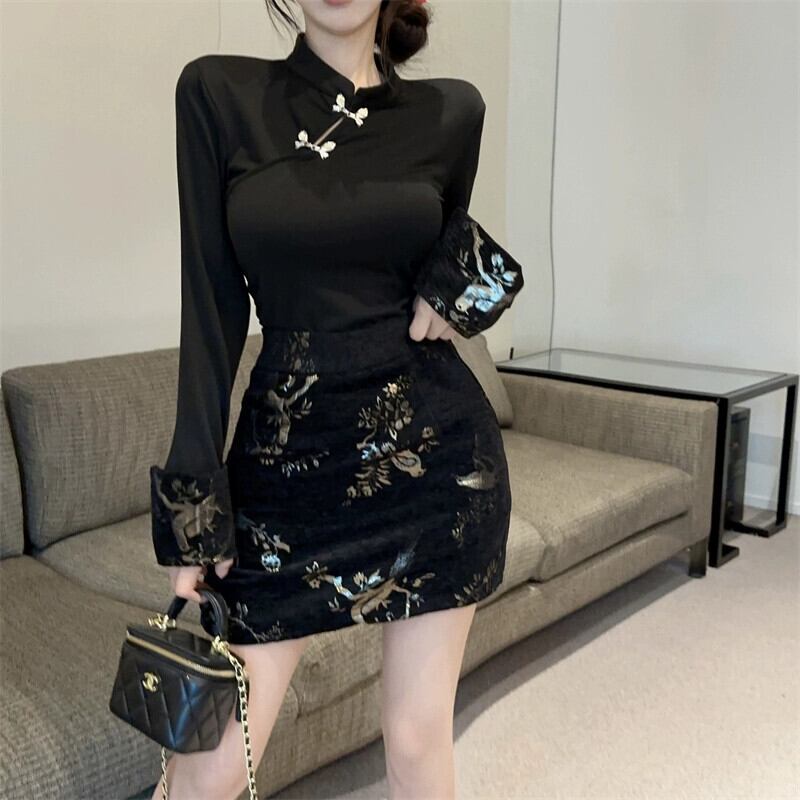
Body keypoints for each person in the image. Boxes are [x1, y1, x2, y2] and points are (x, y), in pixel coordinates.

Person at [148, 1, 524, 798]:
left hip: (435, 465)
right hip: (284, 477)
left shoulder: (452, 112)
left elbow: (444, 252)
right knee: (204, 772)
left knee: (418, 740)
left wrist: (465, 284)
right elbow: (210, 308)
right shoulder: (217, 94)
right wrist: (193, 510)